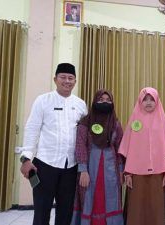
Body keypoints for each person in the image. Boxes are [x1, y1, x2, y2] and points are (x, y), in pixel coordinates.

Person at [20, 63, 87, 225]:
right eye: (63, 77)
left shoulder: (80, 105)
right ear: (55, 79)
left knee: (66, 212)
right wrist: (26, 158)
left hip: (70, 168)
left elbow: (84, 136)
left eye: (70, 78)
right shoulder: (43, 101)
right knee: (42, 212)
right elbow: (32, 129)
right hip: (44, 165)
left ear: (75, 81)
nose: (67, 81)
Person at [118, 87, 165, 225]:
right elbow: (127, 149)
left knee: (156, 207)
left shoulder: (162, 122)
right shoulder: (134, 121)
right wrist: (127, 174)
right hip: (136, 174)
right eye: (145, 99)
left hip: (158, 173)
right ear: (140, 101)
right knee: (137, 208)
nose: (148, 103)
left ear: (157, 101)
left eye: (152, 99)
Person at [71, 89, 124, 225]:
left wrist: (121, 170)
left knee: (110, 200)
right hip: (90, 169)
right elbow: (80, 145)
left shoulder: (116, 124)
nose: (104, 103)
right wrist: (83, 170)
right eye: (101, 100)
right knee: (89, 199)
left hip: (111, 171)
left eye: (108, 100)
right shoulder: (85, 122)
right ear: (95, 102)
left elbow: (120, 148)